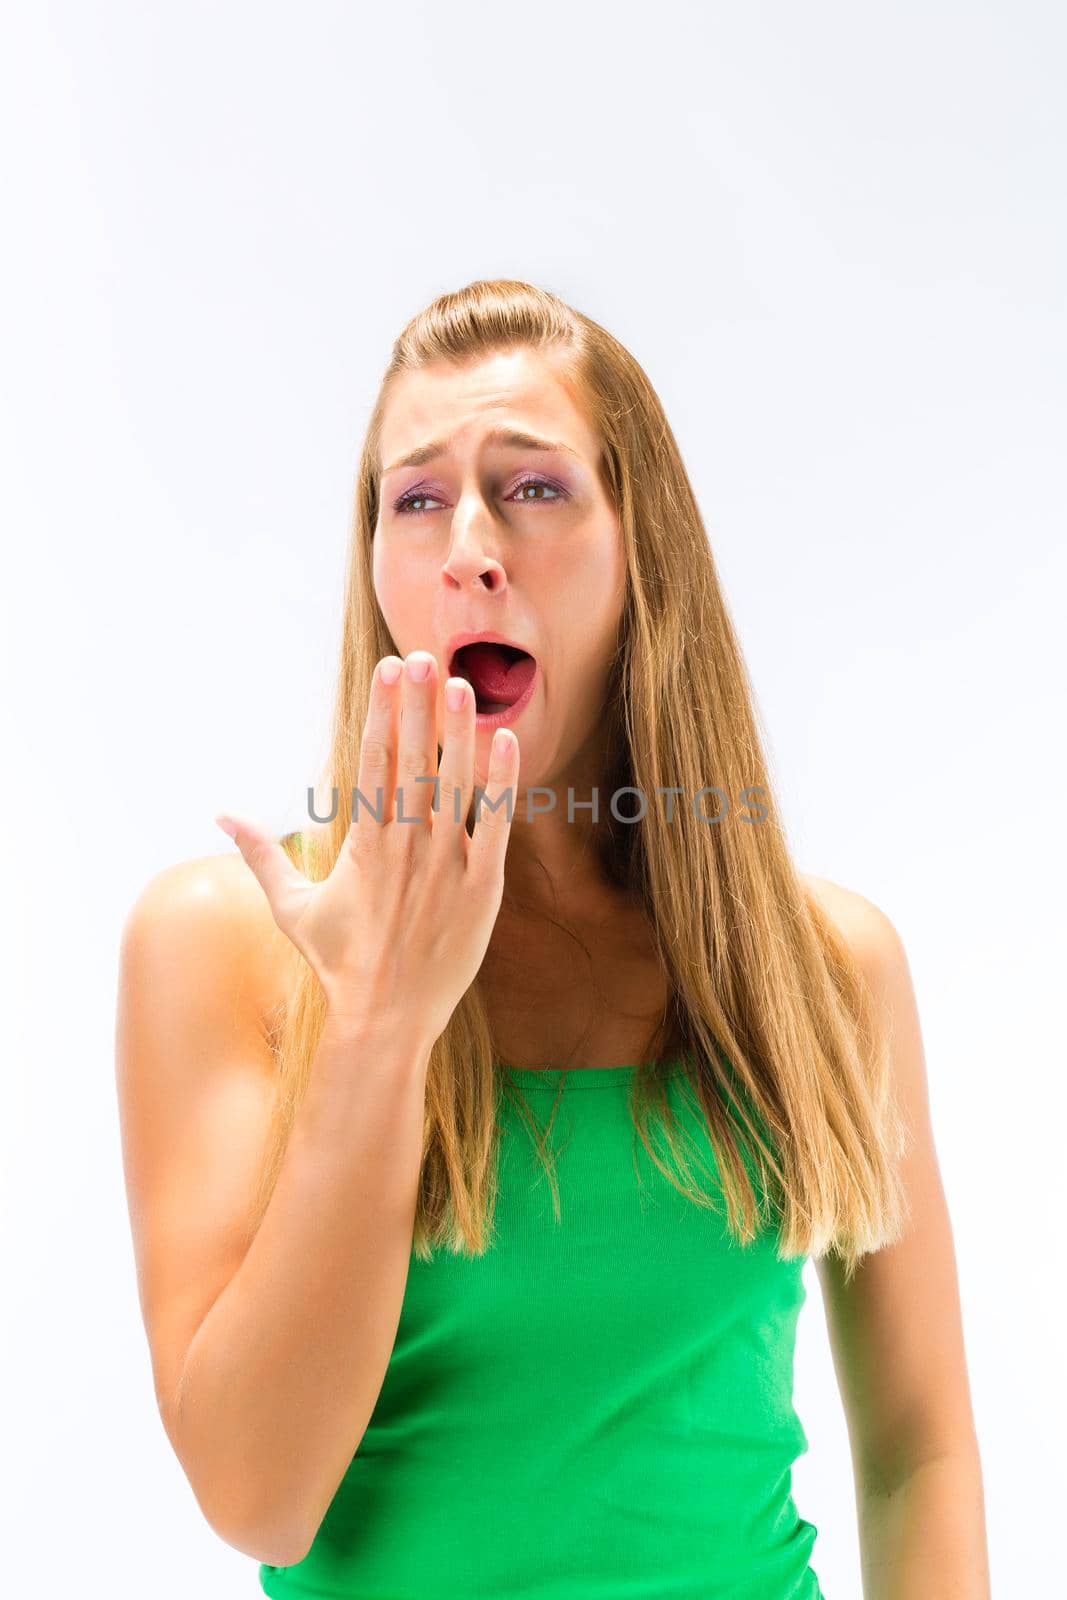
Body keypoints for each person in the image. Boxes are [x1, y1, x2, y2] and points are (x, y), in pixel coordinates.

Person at [115, 278, 991, 1599]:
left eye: (532, 488)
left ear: (646, 554)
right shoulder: (224, 945)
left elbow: (918, 1453)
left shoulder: (828, 968)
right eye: (415, 499)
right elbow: (257, 1497)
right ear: (378, 573)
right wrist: (380, 1021)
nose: (469, 540)